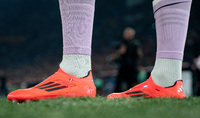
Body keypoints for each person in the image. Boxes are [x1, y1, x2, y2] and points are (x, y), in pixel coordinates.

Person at [7, 0, 192, 101]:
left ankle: (75, 73)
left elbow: (136, 53)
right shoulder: (126, 42)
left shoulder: (131, 43)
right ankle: (167, 80)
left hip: (129, 65)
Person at [109, 27, 143, 92]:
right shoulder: (136, 43)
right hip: (131, 65)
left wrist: (116, 54)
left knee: (121, 81)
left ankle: (117, 93)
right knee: (129, 82)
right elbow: (140, 54)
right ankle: (129, 93)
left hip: (125, 65)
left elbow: (122, 51)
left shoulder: (125, 42)